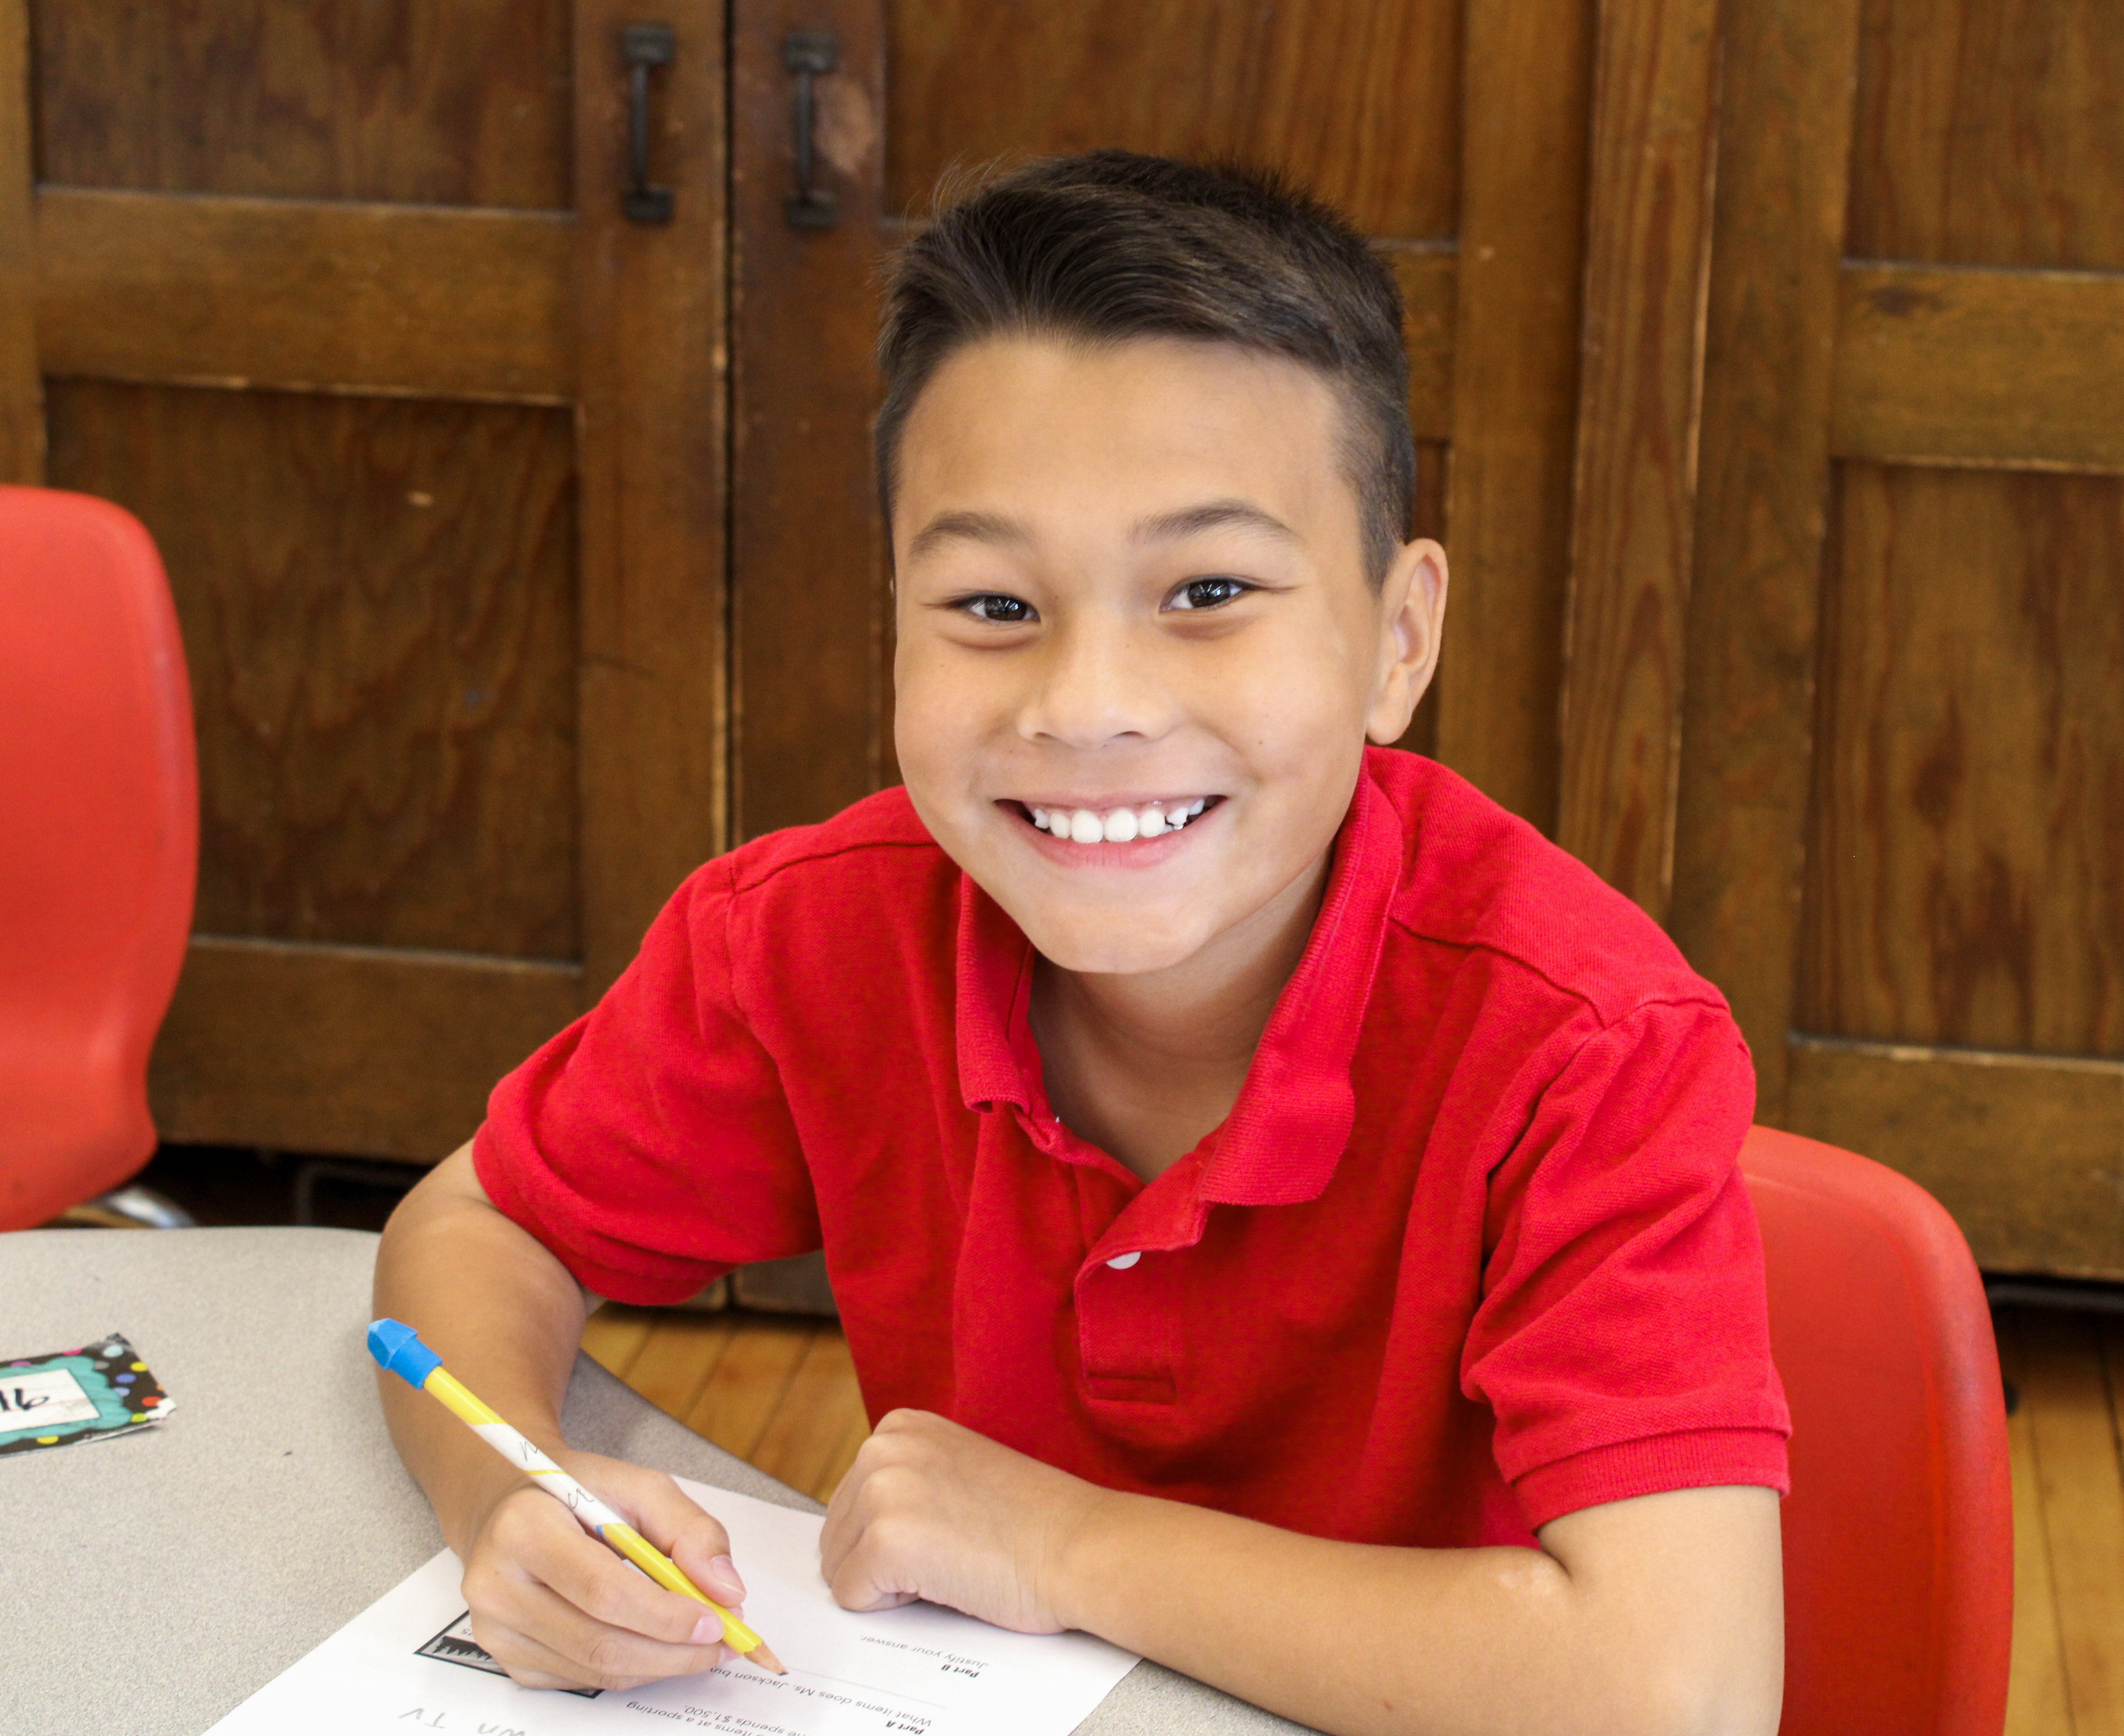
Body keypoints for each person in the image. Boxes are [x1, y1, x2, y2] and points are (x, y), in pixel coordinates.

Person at [374, 150, 1789, 1736]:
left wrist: (1062, 1542)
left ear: (1399, 641)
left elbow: (1682, 1692)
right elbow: (478, 1225)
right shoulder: (808, 939)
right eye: (992, 606)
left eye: (1208, 589)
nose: (1087, 703)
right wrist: (509, 1495)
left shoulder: (1587, 1044)